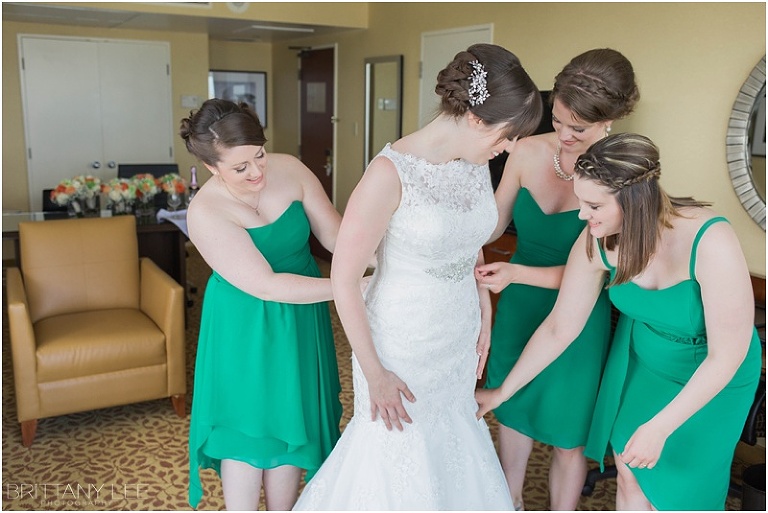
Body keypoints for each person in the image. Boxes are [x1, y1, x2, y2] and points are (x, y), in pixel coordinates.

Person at [293, 44, 542, 510]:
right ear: (474, 117)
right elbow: (344, 280)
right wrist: (375, 372)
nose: (509, 147)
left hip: (457, 331)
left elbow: (468, 246)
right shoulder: (389, 174)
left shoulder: (476, 164)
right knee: (398, 444)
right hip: (401, 339)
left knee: (452, 438)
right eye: (507, 135)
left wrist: (483, 309)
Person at [476, 133, 763, 511]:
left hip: (716, 376)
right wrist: (503, 391)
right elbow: (560, 327)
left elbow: (727, 356)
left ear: (634, 199)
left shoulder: (710, 239)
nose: (582, 215)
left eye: (593, 204)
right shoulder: (597, 241)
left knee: (680, 492)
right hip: (649, 365)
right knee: (628, 471)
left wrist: (660, 427)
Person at [475, 48, 640, 510]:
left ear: (610, 122)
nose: (565, 135)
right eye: (560, 120)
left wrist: (515, 273)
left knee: (569, 439)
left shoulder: (625, 177)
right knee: (511, 418)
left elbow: (603, 271)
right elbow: (491, 225)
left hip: (579, 320)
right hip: (519, 308)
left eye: (579, 129)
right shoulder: (527, 151)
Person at [181, 99, 344, 510]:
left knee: (293, 417)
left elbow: (336, 236)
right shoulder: (205, 210)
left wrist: (395, 263)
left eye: (259, 156)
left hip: (301, 317)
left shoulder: (290, 169)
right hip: (244, 324)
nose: (256, 172)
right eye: (240, 168)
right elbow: (266, 285)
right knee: (247, 426)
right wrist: (351, 287)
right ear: (212, 168)